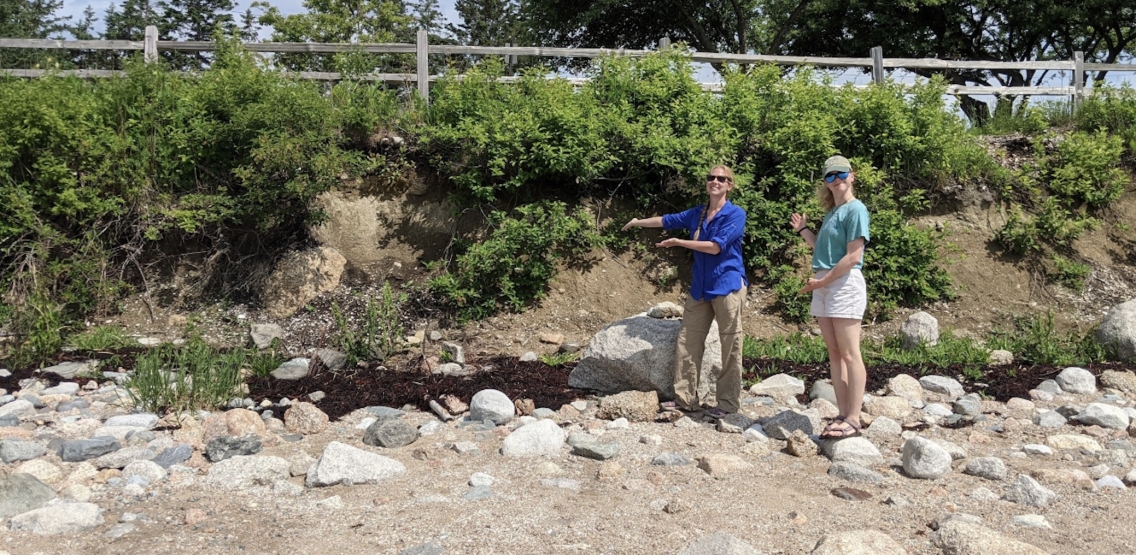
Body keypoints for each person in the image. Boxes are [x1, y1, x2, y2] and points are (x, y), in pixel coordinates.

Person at [622, 165, 748, 418]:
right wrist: (638, 222)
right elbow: (667, 219)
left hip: (727, 287)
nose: (715, 181)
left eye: (721, 178)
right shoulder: (698, 213)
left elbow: (714, 247)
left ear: (729, 185)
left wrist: (679, 242)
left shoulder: (736, 214)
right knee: (687, 342)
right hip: (701, 288)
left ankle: (727, 404)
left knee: (730, 345)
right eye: (711, 177)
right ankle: (685, 400)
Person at [790, 155, 870, 439]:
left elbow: (853, 256)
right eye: (829, 176)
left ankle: (853, 417)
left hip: (843, 284)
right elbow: (822, 250)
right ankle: (842, 412)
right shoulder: (833, 213)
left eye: (840, 174)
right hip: (824, 284)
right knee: (835, 354)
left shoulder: (855, 209)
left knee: (850, 353)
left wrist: (823, 281)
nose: (836, 180)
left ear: (852, 175)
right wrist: (803, 230)